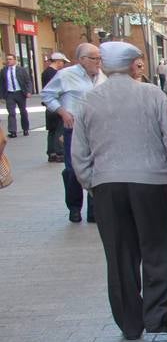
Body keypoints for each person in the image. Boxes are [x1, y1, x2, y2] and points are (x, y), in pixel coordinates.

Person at [71, 42, 167, 340]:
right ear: (131, 65)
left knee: (119, 254)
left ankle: (129, 321)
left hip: (107, 185)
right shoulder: (151, 94)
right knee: (157, 249)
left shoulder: (89, 99)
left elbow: (79, 151)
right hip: (151, 182)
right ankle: (158, 313)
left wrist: (91, 182)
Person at [41, 43, 106, 222]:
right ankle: (74, 207)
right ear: (82, 60)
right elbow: (47, 95)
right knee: (73, 170)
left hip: (98, 129)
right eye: (94, 58)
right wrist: (62, 112)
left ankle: (94, 211)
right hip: (74, 129)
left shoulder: (102, 76)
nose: (98, 62)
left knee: (97, 168)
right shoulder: (65, 75)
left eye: (100, 58)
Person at [40, 52, 68, 162]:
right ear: (58, 61)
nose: (63, 65)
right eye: (63, 62)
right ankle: (59, 152)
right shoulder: (55, 74)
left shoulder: (45, 72)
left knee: (52, 130)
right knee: (59, 129)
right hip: (56, 104)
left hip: (49, 105)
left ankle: (51, 152)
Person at [3, 52, 33, 138]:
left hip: (20, 93)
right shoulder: (4, 71)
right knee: (11, 113)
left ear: (14, 60)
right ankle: (13, 131)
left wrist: (29, 91)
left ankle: (25, 129)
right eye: (7, 59)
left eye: (10, 59)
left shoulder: (21, 70)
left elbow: (28, 81)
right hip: (9, 94)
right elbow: (2, 84)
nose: (8, 61)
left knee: (23, 112)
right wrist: (2, 96)